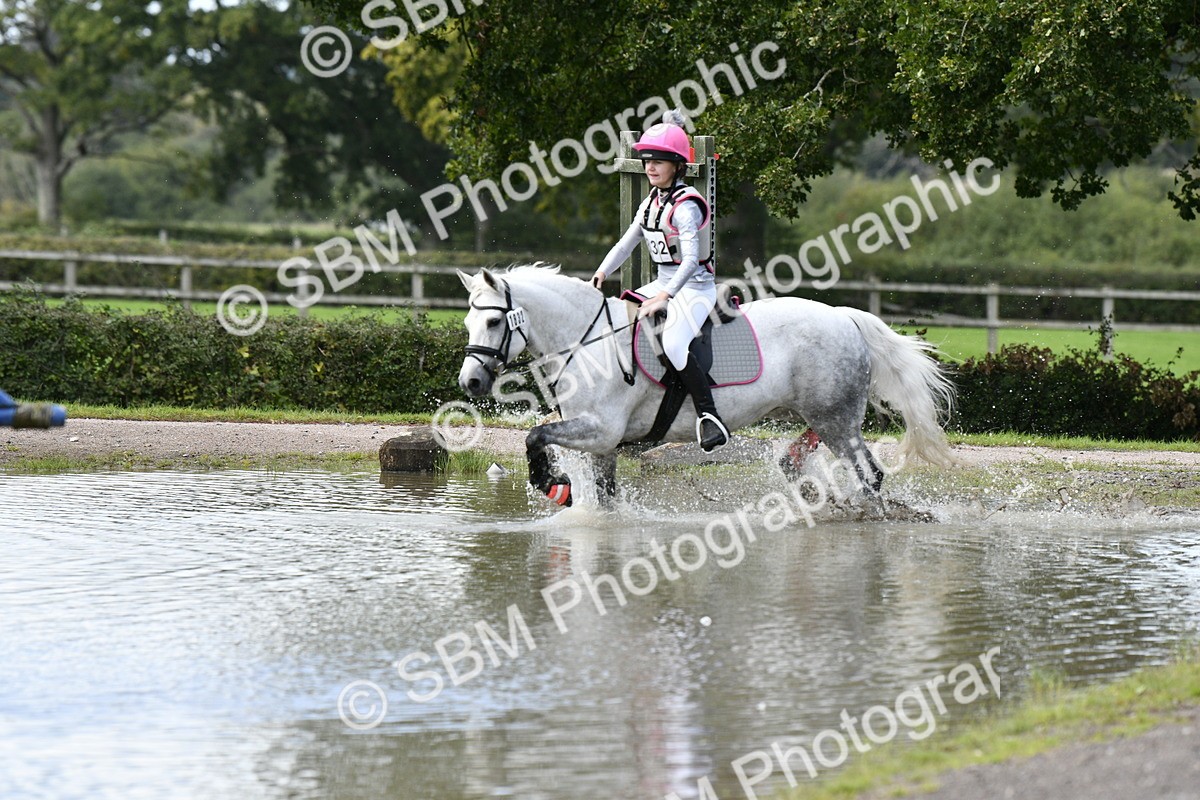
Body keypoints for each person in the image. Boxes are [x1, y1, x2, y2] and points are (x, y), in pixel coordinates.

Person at [590, 109, 729, 452]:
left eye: (659, 161)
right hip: (663, 283)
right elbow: (626, 244)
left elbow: (692, 261)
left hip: (694, 288)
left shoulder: (686, 206)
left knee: (674, 344)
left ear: (678, 166)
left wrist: (665, 295)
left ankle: (709, 417)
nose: (650, 167)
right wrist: (602, 271)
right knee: (617, 324)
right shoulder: (651, 202)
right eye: (647, 160)